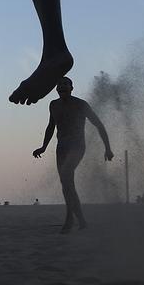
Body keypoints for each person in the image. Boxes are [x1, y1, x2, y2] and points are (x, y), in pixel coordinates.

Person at [33, 77, 114, 233]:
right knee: (66, 185)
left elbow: (99, 125)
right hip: (61, 147)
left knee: (66, 175)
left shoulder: (81, 105)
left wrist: (108, 148)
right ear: (56, 89)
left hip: (77, 146)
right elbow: (51, 126)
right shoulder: (53, 105)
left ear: (71, 88)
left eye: (65, 84)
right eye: (59, 84)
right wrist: (43, 147)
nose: (62, 86)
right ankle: (79, 220)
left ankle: (70, 219)